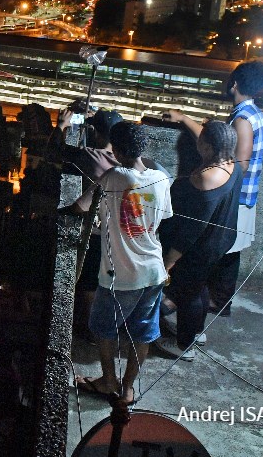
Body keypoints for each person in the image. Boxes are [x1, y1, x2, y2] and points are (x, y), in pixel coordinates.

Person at [161, 60, 263, 314]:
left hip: (237, 197)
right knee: (227, 253)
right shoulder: (254, 113)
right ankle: (216, 303)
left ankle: (207, 304)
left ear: (234, 84)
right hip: (244, 196)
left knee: (214, 253)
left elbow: (237, 160)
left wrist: (183, 119)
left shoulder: (243, 119)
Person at [74, 121, 172, 406]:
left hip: (120, 275)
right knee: (141, 333)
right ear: (145, 146)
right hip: (154, 271)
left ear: (115, 150)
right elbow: (159, 219)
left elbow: (80, 206)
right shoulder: (161, 179)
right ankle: (128, 389)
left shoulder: (113, 176)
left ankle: (108, 381)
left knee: (103, 327)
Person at [155, 121, 242, 360]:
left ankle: (184, 345)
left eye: (202, 139)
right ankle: (195, 332)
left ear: (209, 147)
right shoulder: (232, 166)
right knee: (200, 286)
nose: (198, 143)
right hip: (221, 241)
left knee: (188, 293)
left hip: (200, 247)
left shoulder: (205, 179)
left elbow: (192, 229)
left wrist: (170, 260)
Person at [61, 109, 124, 343]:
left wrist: (62, 126)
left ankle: (90, 331)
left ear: (96, 133)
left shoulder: (91, 156)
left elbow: (55, 152)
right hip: (124, 231)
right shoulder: (129, 163)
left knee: (89, 282)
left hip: (100, 229)